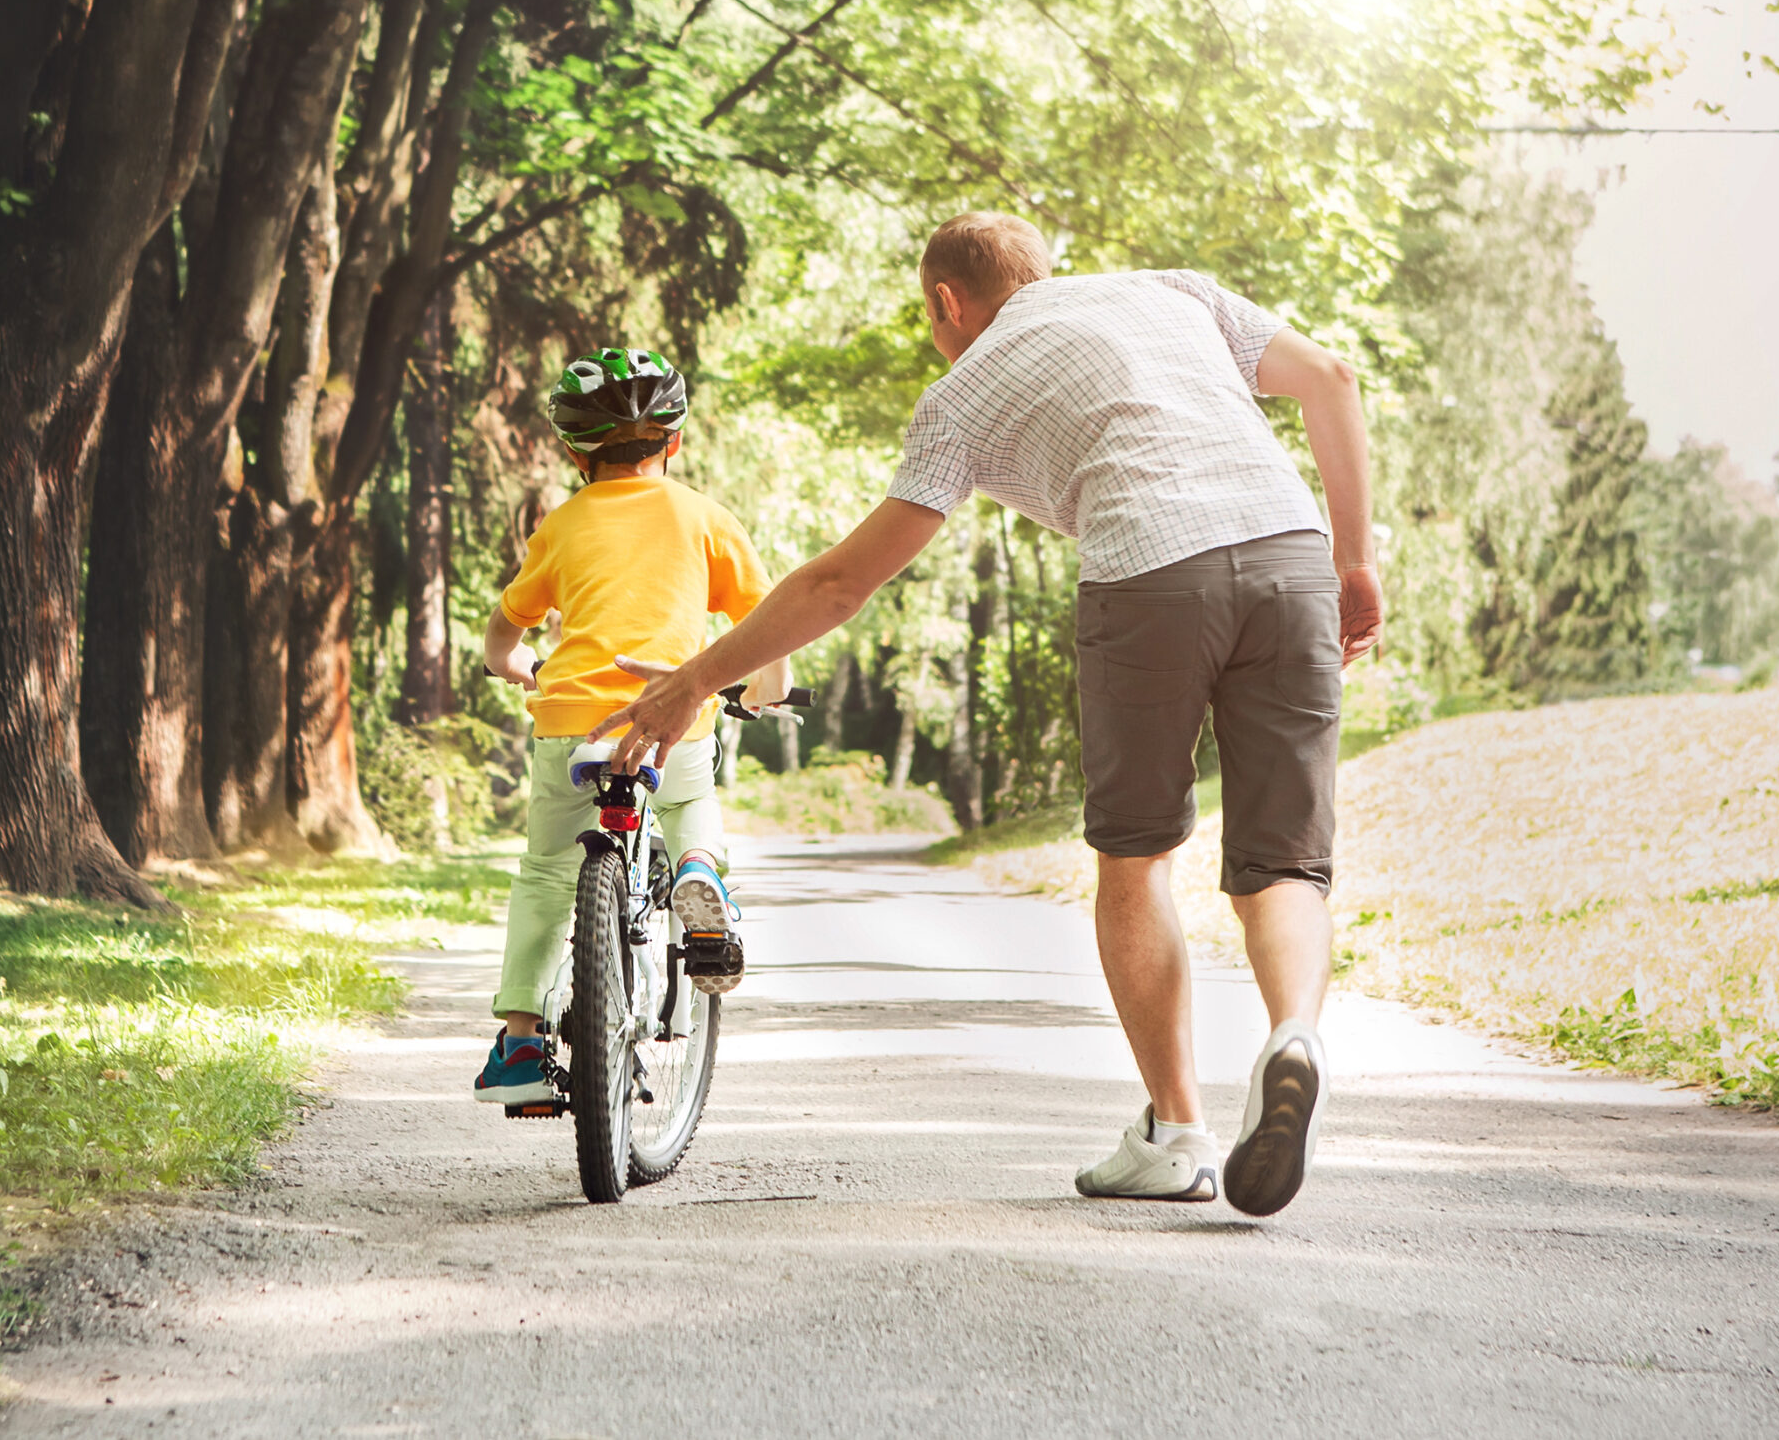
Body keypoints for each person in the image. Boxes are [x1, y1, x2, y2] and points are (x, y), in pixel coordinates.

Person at [592, 214, 1382, 1215]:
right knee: (1283, 863)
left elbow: (839, 584)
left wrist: (695, 676)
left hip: (1147, 573)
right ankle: (1292, 1033)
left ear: (944, 304)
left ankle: (1176, 1131)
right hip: (1286, 552)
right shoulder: (1172, 289)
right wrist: (1354, 561)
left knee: (1135, 859)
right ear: (1040, 273)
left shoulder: (961, 391)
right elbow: (1332, 380)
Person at [471, 347, 790, 1106]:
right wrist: (764, 692)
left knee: (549, 870)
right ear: (674, 440)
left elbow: (503, 629)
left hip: (573, 728)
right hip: (671, 719)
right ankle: (699, 873)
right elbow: (767, 626)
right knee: (686, 802)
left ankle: (520, 1045)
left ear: (575, 450)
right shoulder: (705, 517)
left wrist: (513, 665)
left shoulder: (561, 525)